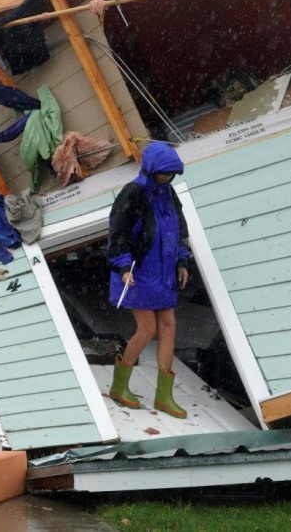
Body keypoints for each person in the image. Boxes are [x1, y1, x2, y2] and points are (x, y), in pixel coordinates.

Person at [106, 142, 191, 418]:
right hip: (138, 270)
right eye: (163, 173)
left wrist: (182, 260)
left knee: (169, 325)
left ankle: (164, 396)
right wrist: (122, 266)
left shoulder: (169, 192)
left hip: (164, 270)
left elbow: (179, 228)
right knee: (147, 329)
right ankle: (119, 386)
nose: (167, 178)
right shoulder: (133, 192)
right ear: (151, 170)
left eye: (171, 174)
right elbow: (117, 232)